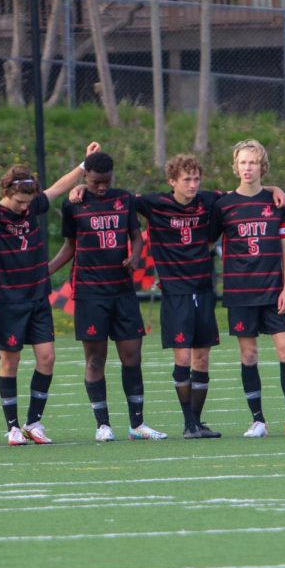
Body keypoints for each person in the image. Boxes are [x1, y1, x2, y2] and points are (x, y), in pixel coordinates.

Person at [70, 153, 285, 439]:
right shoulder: (153, 203)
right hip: (175, 292)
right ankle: (187, 422)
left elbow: (244, 193)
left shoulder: (210, 201)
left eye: (196, 179)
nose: (193, 185)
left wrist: (273, 189)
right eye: (187, 180)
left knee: (202, 359)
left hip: (203, 289)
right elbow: (112, 198)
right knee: (183, 357)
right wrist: (82, 187)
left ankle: (195, 423)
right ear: (172, 181)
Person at [0, 142, 98, 446]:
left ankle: (33, 422)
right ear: (6, 192)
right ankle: (12, 427)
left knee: (47, 358)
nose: (26, 208)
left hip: (38, 295)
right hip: (8, 299)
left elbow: (57, 189)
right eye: (20, 202)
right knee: (9, 362)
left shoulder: (33, 204)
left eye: (29, 202)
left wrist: (83, 165)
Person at [50, 151, 168, 442]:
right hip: (90, 293)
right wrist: (44, 270)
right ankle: (103, 425)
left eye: (106, 181)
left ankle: (137, 425)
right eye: (95, 182)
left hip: (122, 292)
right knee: (95, 360)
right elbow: (70, 247)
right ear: (85, 177)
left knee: (132, 355)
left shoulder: (124, 199)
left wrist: (137, 257)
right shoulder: (74, 204)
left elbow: (136, 236)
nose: (101, 187)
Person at [209, 139, 285, 438]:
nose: (247, 168)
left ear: (262, 167)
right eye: (243, 162)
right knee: (249, 356)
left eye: (253, 162)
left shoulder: (277, 202)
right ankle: (257, 421)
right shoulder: (223, 205)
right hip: (240, 293)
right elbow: (205, 240)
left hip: (274, 291)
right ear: (235, 166)